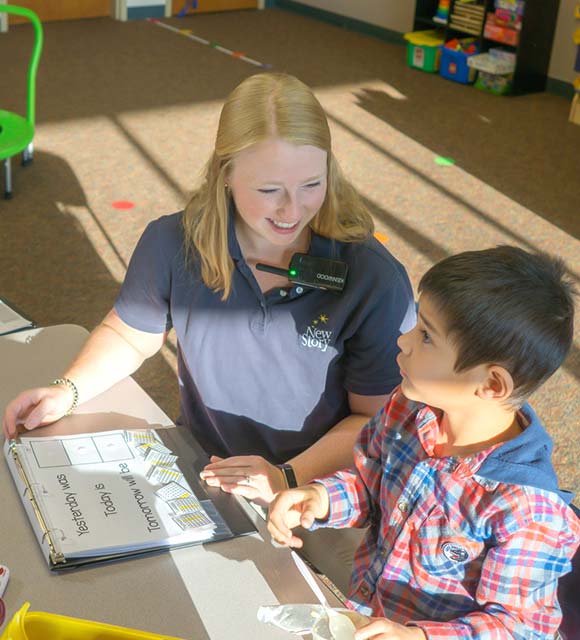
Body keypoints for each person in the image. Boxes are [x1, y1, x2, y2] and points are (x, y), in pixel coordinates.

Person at [2, 72, 416, 592]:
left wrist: (286, 478)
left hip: (329, 490)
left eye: (312, 184)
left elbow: (375, 418)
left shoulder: (371, 275)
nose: (292, 211)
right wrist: (67, 390)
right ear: (224, 174)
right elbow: (133, 334)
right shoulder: (173, 242)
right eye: (269, 190)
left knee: (347, 605)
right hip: (208, 469)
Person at [267, 246, 580, 639]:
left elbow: (515, 628)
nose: (404, 341)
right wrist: (322, 498)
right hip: (372, 616)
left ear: (491, 384)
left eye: (427, 336)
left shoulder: (527, 510)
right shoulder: (409, 409)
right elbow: (370, 482)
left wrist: (419, 636)